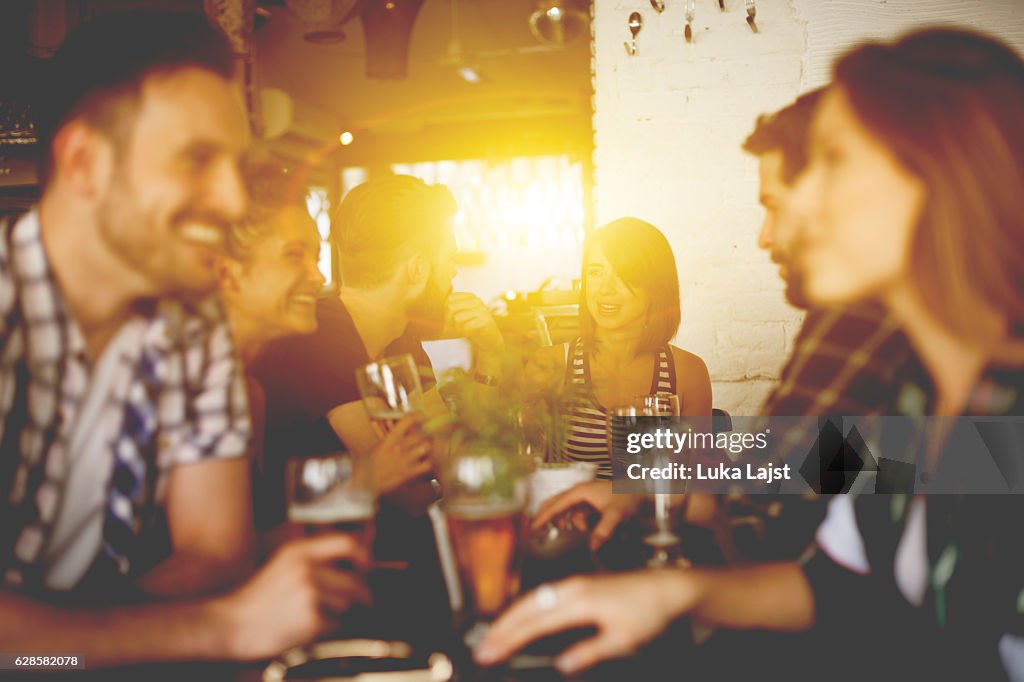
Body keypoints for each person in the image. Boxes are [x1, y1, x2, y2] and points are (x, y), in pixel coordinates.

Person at [475, 29, 1024, 680]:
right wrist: (672, 590)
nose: (788, 217)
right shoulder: (922, 407)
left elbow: (778, 482)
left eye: (835, 162)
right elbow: (838, 573)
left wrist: (648, 487)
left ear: (943, 173)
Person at [0, 12, 367, 666]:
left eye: (235, 164)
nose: (229, 200)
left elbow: (216, 554)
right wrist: (219, 629)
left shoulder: (193, 329)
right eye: (198, 160)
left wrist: (59, 641)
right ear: (85, 163)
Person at [252, 174, 506, 520]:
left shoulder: (400, 337)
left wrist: (490, 356)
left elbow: (452, 458)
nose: (453, 273)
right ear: (417, 269)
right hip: (308, 556)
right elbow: (415, 478)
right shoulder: (320, 338)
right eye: (449, 259)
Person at [216, 162, 430, 535]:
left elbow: (267, 533)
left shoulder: (250, 388)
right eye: (293, 255)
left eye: (316, 256)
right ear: (226, 273)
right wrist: (368, 481)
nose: (320, 277)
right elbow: (225, 563)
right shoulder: (200, 388)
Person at [527, 218, 711, 481]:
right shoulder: (550, 365)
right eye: (595, 272)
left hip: (654, 517)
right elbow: (526, 470)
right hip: (575, 518)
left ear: (654, 289)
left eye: (623, 275)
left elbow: (696, 480)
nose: (605, 289)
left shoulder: (688, 372)